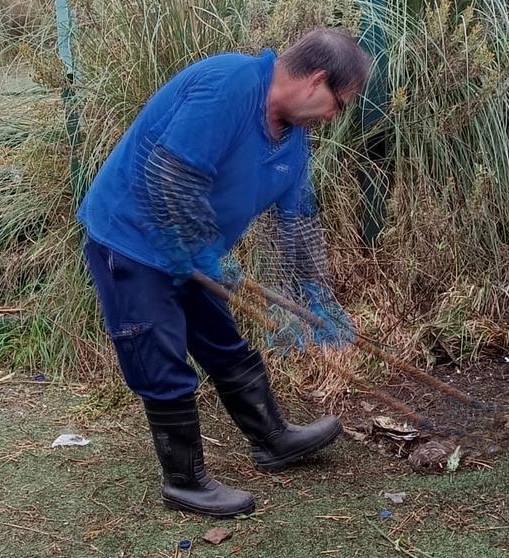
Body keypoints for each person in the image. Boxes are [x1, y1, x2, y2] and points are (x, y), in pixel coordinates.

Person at [77, 28, 371, 518]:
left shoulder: (293, 142)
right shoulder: (231, 84)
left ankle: (273, 440)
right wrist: (206, 250)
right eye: (338, 104)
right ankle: (185, 483)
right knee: (161, 358)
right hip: (133, 241)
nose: (333, 117)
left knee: (223, 342)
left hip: (194, 255)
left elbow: (297, 223)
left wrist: (317, 294)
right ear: (316, 81)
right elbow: (171, 174)